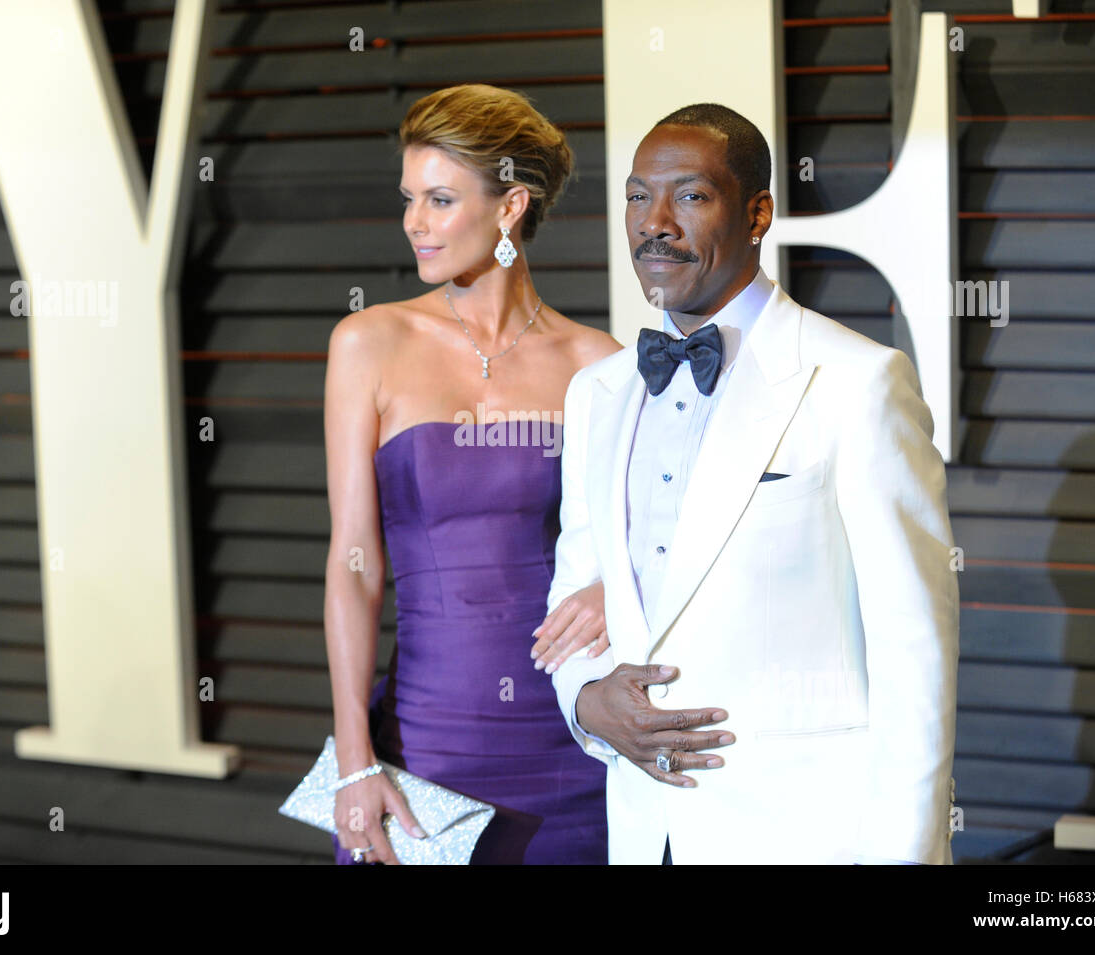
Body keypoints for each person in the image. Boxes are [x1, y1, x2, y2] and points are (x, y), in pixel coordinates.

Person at [548, 104, 960, 865]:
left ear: (758, 211)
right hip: (643, 831)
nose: (654, 223)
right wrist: (584, 697)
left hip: (803, 837)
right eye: (639, 196)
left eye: (691, 196)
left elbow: (917, 655)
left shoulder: (857, 383)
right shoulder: (596, 394)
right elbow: (576, 599)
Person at [322, 84, 622, 864]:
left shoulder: (599, 364)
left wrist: (611, 587)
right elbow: (353, 566)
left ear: (510, 207)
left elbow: (644, 544)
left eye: (440, 199)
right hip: (427, 744)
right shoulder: (369, 343)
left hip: (575, 742)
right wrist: (355, 760)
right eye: (410, 198)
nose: (413, 221)